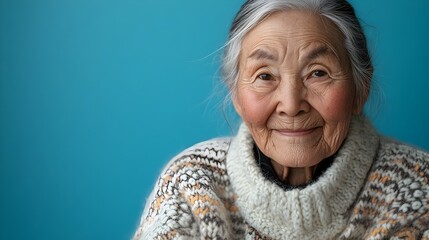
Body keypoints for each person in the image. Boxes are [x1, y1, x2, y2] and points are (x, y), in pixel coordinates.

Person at [133, 0, 429, 239]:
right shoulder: (192, 183)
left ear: (360, 89)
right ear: (236, 95)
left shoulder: (417, 188)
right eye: (264, 76)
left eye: (318, 72)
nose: (290, 105)